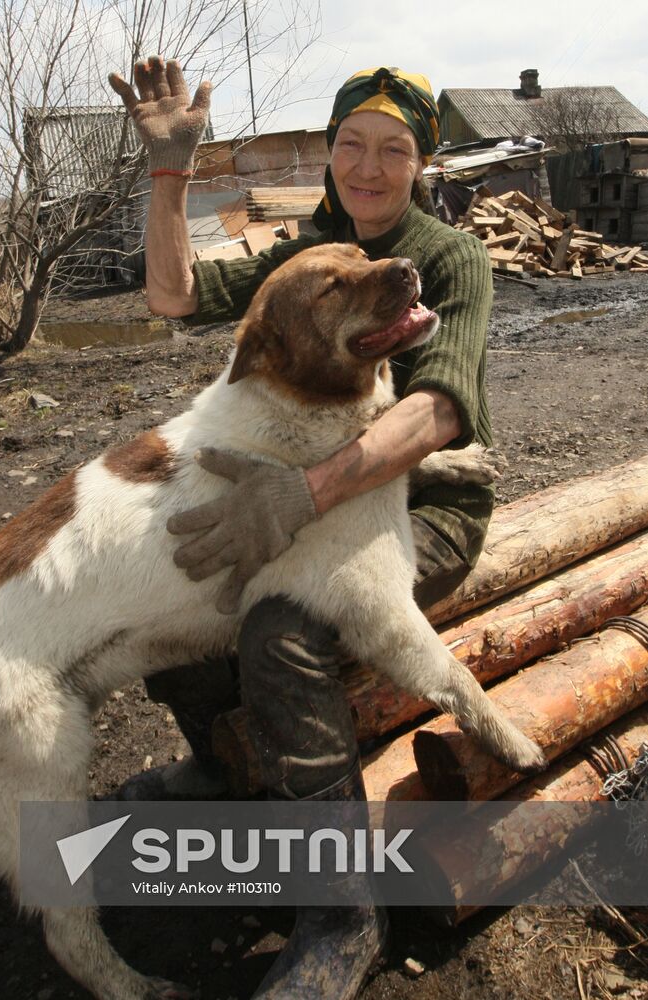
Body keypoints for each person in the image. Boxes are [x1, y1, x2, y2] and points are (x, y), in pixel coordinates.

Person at [109, 57, 494, 1000]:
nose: (367, 166)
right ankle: (217, 766)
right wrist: (169, 173)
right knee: (173, 569)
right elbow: (171, 296)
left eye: (393, 150)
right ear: (329, 155)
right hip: (307, 494)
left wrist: (302, 497)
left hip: (418, 509)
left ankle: (339, 911)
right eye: (351, 145)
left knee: (281, 628)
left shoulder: (445, 255)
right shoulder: (311, 254)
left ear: (419, 164)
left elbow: (438, 413)